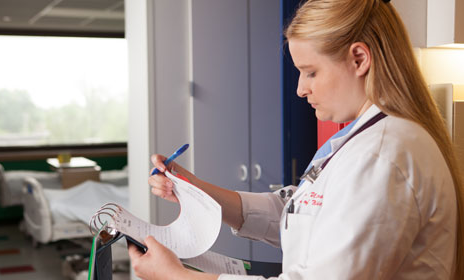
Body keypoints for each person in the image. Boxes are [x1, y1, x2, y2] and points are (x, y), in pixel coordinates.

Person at [128, 0, 464, 279]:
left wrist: (179, 277)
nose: (301, 89)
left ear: (359, 59)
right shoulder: (364, 142)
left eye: (311, 72)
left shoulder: (382, 155)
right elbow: (297, 212)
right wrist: (196, 188)